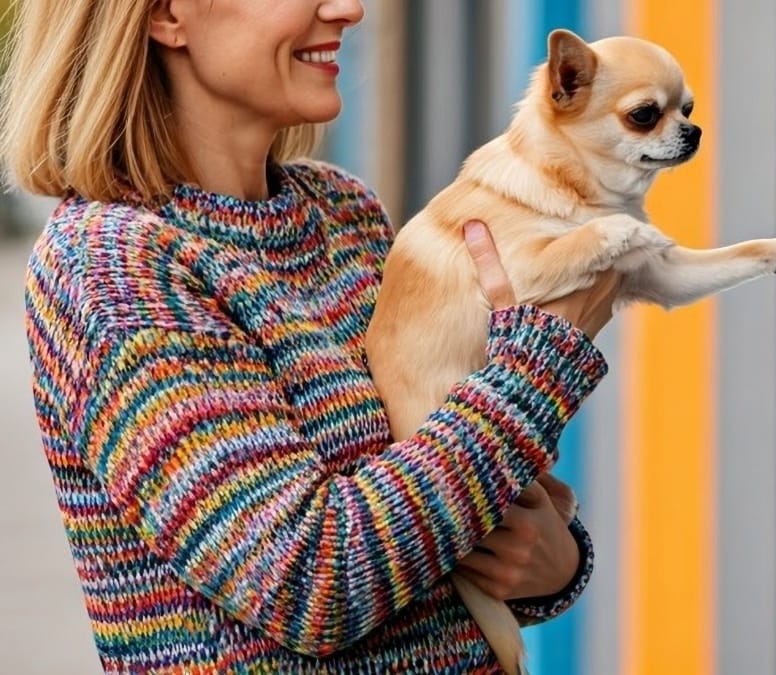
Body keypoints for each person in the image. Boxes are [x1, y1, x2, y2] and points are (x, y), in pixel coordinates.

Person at [1, 1, 619, 672]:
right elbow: (303, 581)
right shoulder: (113, 264)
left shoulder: (342, 212)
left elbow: (450, 484)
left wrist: (554, 558)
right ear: (166, 15)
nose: (348, 8)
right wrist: (536, 366)